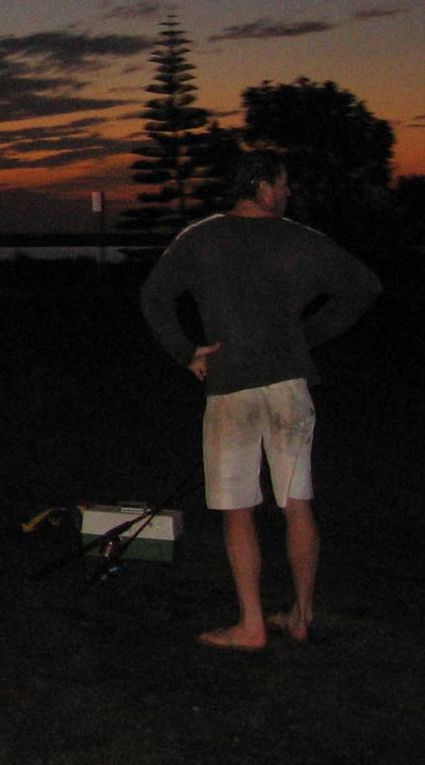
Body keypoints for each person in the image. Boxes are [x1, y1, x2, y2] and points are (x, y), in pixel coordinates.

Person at [139, 150, 381, 650]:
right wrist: (306, 335)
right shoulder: (300, 240)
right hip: (286, 388)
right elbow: (364, 285)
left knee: (239, 509)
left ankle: (252, 624)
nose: (288, 192)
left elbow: (154, 298)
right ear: (262, 185)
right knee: (297, 503)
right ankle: (300, 614)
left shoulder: (200, 236)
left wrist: (187, 351)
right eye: (283, 183)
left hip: (230, 386)